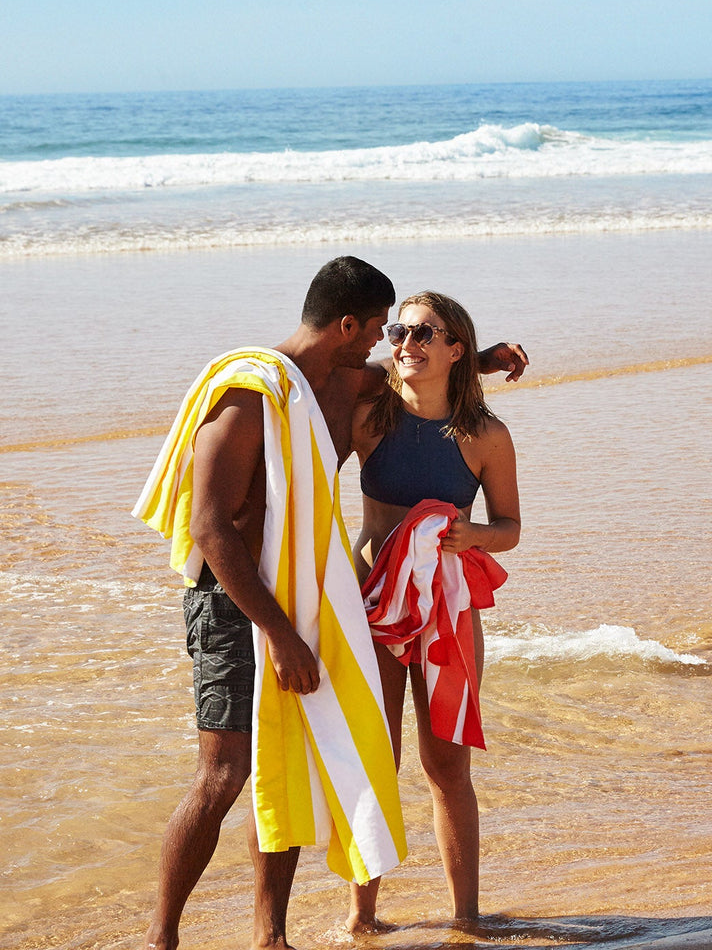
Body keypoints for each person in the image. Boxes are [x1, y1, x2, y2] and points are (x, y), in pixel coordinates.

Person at [133, 258, 528, 950]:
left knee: (316, 764)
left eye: (409, 331)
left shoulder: (416, 412)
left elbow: (431, 397)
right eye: (385, 328)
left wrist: (481, 359)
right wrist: (283, 632)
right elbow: (210, 525)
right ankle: (176, 936)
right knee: (268, 766)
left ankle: (284, 935)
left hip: (371, 599)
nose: (389, 342)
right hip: (295, 602)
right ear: (351, 326)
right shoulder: (299, 400)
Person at [346, 291, 521, 931]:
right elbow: (339, 379)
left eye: (425, 333)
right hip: (370, 604)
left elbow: (509, 526)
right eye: (399, 330)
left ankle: (466, 916)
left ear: (454, 347)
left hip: (447, 605)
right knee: (374, 754)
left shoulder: (485, 436)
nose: (405, 343)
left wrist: (475, 537)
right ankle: (363, 914)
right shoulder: (370, 418)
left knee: (446, 764)